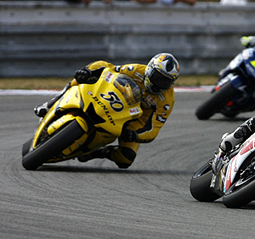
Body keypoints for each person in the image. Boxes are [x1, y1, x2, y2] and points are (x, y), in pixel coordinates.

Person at [33, 53, 180, 169]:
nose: (160, 83)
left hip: (133, 120)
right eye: (157, 77)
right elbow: (108, 69)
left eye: (165, 81)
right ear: (149, 70)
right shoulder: (135, 70)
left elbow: (154, 129)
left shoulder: (167, 101)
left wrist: (135, 135)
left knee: (126, 159)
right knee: (81, 78)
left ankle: (99, 152)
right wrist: (88, 72)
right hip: (114, 99)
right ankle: (52, 102)